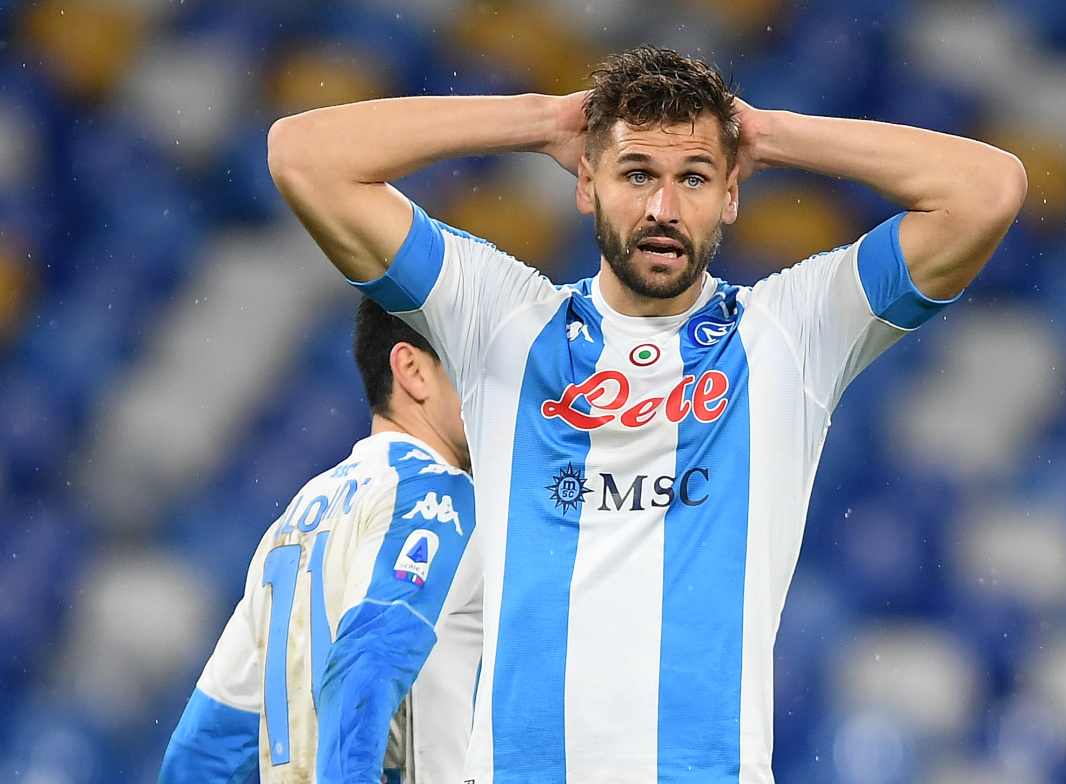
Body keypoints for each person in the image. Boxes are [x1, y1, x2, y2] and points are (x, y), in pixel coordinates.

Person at [267, 45, 1026, 783]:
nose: (664, 208)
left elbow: (988, 188)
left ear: (732, 193)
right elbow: (302, 154)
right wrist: (539, 120)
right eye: (636, 173)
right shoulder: (500, 319)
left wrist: (766, 134)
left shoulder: (792, 333)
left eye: (694, 177)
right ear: (585, 181)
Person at [158, 298, 480, 784]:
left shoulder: (296, 517)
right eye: (481, 365)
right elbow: (368, 661)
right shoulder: (439, 495)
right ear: (412, 370)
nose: (507, 393)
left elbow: (206, 750)